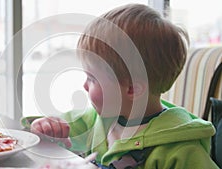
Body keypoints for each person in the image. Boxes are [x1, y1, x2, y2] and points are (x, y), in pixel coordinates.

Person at [23, 3, 219, 169]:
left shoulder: (182, 149)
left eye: (92, 78)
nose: (84, 85)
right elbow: (51, 131)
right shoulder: (94, 120)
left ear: (132, 88)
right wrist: (46, 128)